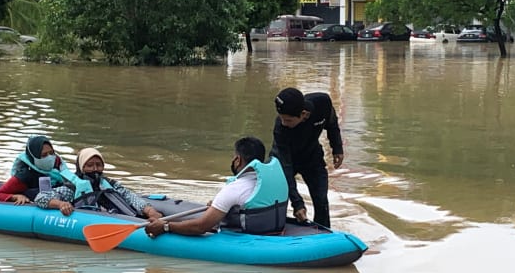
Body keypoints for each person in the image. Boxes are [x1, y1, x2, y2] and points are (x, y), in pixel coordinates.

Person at [145, 136, 288, 238]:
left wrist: (166, 226)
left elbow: (201, 227)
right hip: (273, 230)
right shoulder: (276, 181)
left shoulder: (235, 188)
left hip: (243, 238)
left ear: (238, 160)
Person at [271, 87, 344, 228]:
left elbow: (332, 122)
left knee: (321, 200)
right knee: (277, 196)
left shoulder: (322, 103)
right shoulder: (280, 128)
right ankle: (275, 228)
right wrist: (297, 203)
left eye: (288, 120)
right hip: (285, 159)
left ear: (303, 114)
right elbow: (286, 167)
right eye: (281, 118)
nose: (284, 123)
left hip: (311, 156)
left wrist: (337, 148)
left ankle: (323, 232)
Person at [34, 147, 164, 219]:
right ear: (81, 167)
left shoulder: (109, 184)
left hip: (122, 218)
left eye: (98, 165)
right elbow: (41, 197)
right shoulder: (72, 188)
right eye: (90, 165)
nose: (95, 169)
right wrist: (61, 204)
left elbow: (130, 196)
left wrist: (149, 210)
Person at [0, 135, 67, 204]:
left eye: (51, 153)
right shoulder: (24, 176)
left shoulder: (58, 168)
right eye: (44, 155)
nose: (49, 157)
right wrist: (16, 197)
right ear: (33, 157)